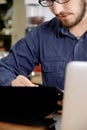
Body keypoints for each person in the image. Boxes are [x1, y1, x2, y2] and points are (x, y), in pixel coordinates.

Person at [0, 0, 87, 89]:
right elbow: (4, 68)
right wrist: (12, 82)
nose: (57, 10)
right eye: (49, 1)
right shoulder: (40, 34)